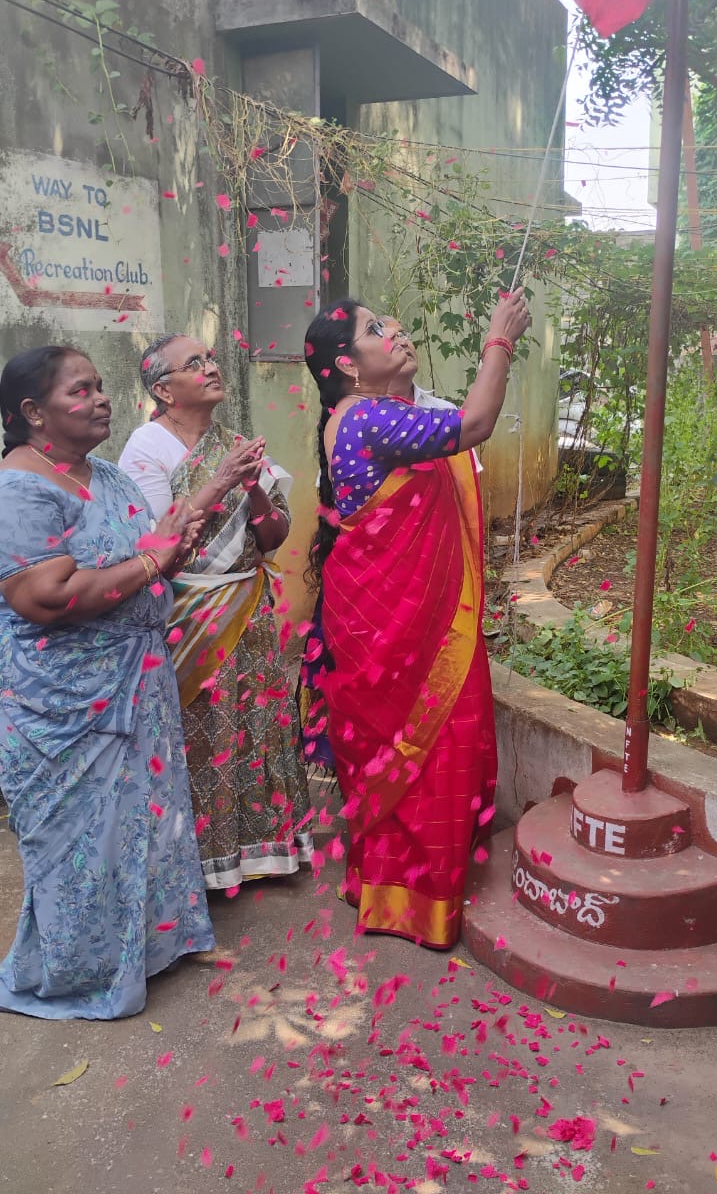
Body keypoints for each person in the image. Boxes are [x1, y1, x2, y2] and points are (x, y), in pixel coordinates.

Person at [301, 289, 529, 948]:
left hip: (391, 612)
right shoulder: (368, 418)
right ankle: (411, 899)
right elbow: (474, 424)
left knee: (411, 748)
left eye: (393, 323)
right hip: (391, 622)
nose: (396, 331)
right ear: (348, 364)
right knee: (425, 741)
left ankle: (387, 885)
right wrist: (499, 338)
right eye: (377, 328)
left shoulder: (376, 414)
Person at [0, 345, 215, 1019]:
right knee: (80, 842)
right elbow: (45, 597)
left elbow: (143, 547)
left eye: (99, 386)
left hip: (137, 681)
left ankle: (143, 951)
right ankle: (77, 972)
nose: (100, 398)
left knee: (141, 823)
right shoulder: (20, 489)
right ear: (33, 412)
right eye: (80, 390)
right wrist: (154, 563)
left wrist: (171, 539)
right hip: (66, 702)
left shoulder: (109, 476)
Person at [118, 334, 314, 891]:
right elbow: (157, 537)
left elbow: (274, 535)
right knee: (198, 727)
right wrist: (223, 479)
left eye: (209, 358)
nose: (211, 367)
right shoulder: (146, 447)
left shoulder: (235, 444)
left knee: (254, 724)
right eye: (194, 363)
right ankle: (197, 859)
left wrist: (253, 488)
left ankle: (258, 849)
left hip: (246, 606)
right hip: (187, 608)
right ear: (164, 390)